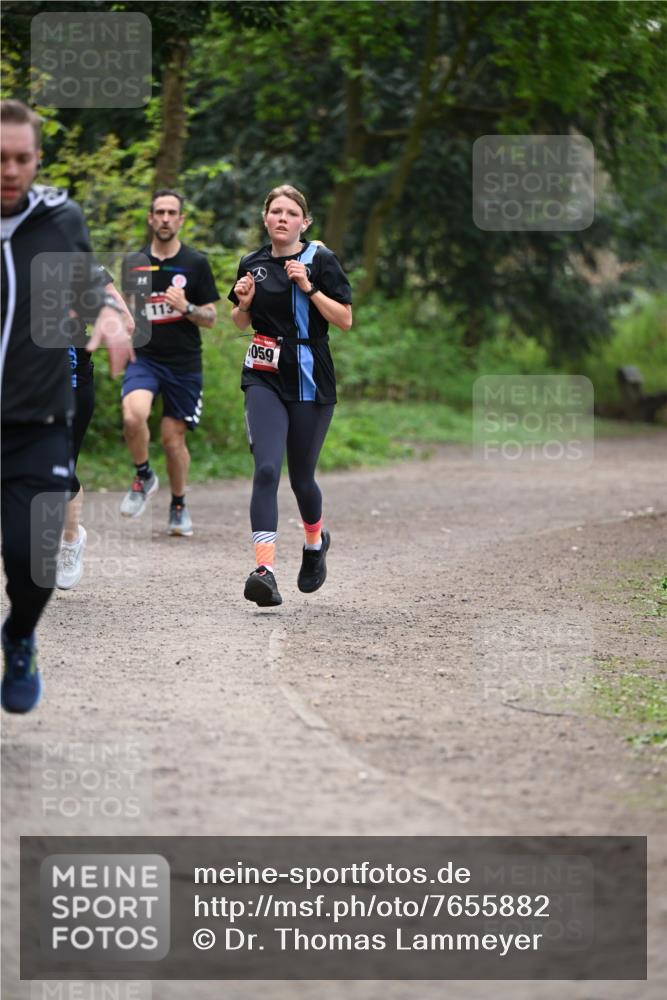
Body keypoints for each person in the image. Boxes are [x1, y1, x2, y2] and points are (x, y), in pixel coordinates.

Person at [1, 99, 133, 713]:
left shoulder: (61, 219)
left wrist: (109, 316)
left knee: (35, 564)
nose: (10, 169)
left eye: (22, 158)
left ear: (38, 160)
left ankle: (20, 634)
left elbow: (90, 285)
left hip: (40, 422)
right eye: (0, 158)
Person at [229, 184, 352, 607]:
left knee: (301, 478)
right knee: (266, 469)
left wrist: (311, 289)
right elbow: (236, 319)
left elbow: (346, 320)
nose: (282, 218)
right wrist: (243, 304)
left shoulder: (320, 260)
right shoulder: (253, 262)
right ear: (265, 218)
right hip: (262, 373)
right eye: (275, 211)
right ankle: (264, 570)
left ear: (304, 221)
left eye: (290, 212)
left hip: (310, 375)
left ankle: (315, 543)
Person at [119, 190, 220, 536]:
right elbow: (130, 313)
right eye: (159, 212)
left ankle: (178, 504)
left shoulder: (195, 263)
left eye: (171, 212)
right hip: (144, 358)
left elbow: (211, 318)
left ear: (180, 220)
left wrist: (187, 307)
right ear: (150, 218)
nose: (164, 218)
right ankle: (144, 475)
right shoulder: (134, 262)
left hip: (183, 363)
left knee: (172, 439)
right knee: (133, 415)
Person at [55, 268, 134, 590]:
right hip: (18, 385)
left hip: (68, 384)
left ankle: (71, 540)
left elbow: (126, 321)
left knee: (58, 469)